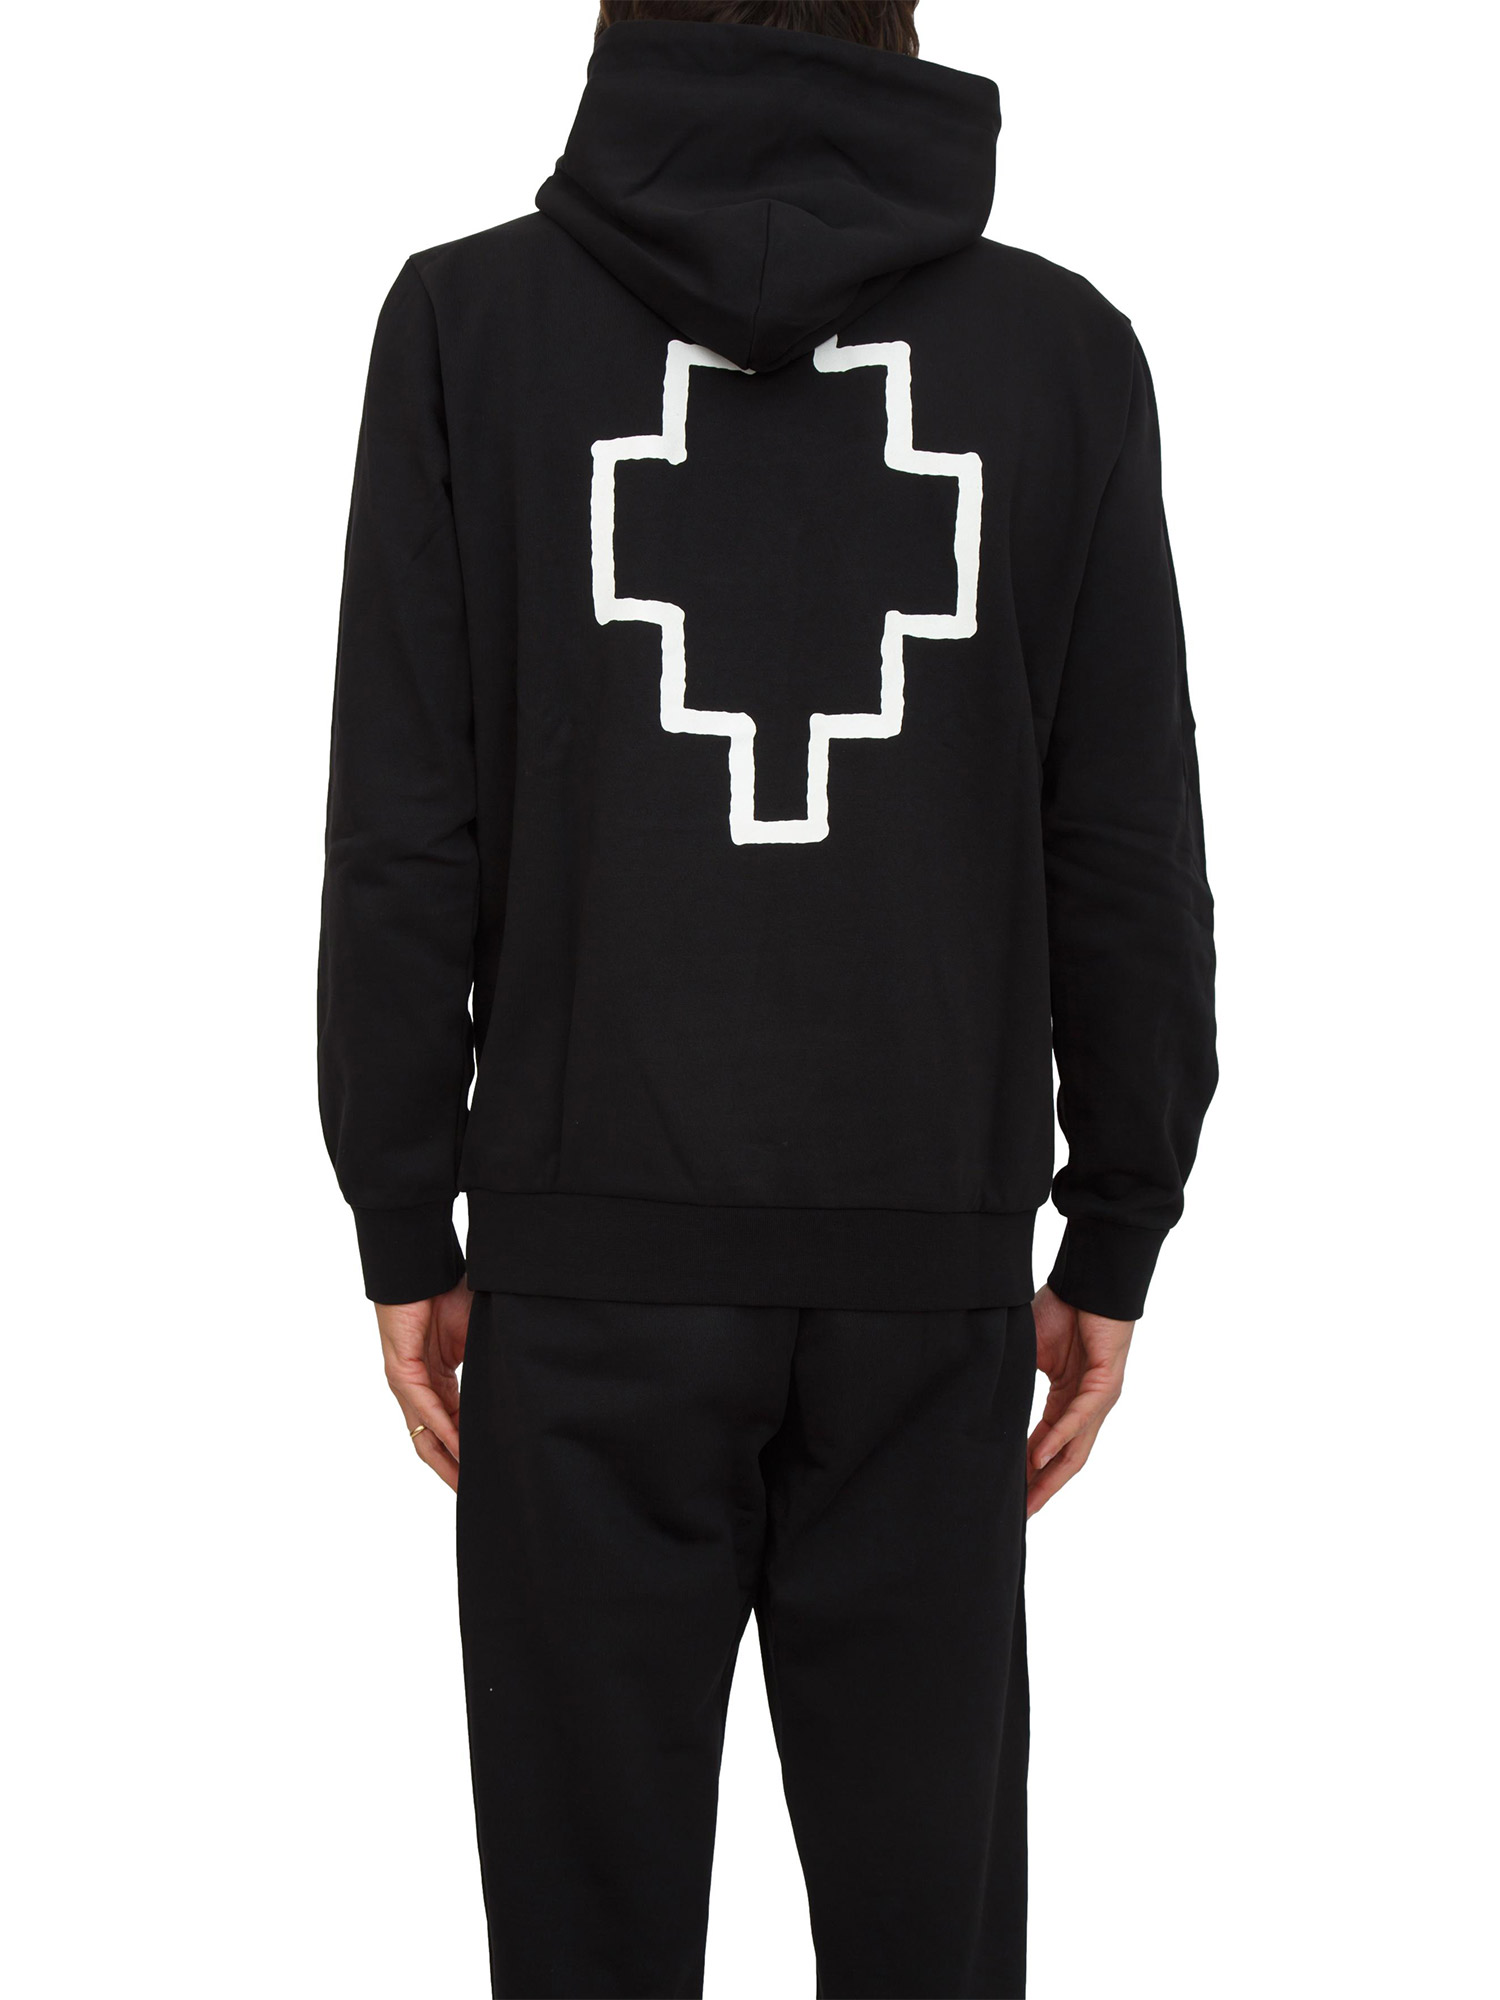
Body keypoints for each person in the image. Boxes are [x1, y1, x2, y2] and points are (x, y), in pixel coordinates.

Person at [318, 1, 1216, 1992]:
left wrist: (402, 1214)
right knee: (928, 1948)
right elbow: (1128, 847)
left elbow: (402, 829)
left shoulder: (469, 329)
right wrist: (1115, 1229)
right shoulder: (1061, 357)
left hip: (582, 1273)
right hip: (929, 1279)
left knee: (585, 1949)